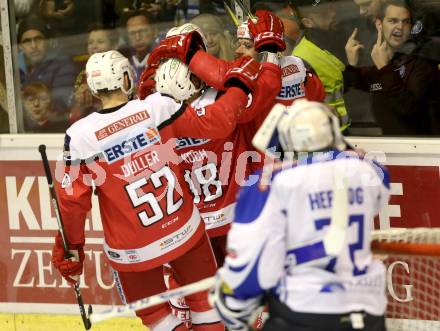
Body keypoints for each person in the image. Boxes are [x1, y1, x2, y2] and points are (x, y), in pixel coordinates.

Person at [51, 48, 262, 330]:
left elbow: (71, 203)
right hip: (184, 231)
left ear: (92, 86)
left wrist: (71, 249)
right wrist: (238, 85)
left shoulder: (79, 136)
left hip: (132, 250)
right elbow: (217, 122)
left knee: (157, 319)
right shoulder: (157, 107)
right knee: (207, 305)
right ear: (127, 77)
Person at [210, 99, 391, 331]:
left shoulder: (272, 183)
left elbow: (252, 268)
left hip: (304, 314)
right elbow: (372, 176)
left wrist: (231, 300)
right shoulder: (368, 171)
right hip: (369, 315)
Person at [343, 0, 440, 135]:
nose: (400, 27)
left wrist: (384, 68)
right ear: (379, 24)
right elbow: (354, 102)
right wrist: (352, 64)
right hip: (384, 143)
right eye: (393, 21)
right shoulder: (376, 59)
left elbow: (407, 108)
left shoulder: (422, 62)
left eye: (406, 22)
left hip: (418, 147)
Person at [291, 0, 350, 130]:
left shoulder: (339, 38)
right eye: (323, 13)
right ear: (308, 22)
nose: (333, 13)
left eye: (330, 7)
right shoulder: (302, 59)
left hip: (354, 132)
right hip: (328, 135)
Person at [18, 17, 77, 112]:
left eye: (38, 39)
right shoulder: (13, 65)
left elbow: (62, 103)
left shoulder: (63, 63)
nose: (33, 46)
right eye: (27, 41)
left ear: (48, 42)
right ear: (20, 46)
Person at [69, 24, 119, 123]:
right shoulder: (82, 76)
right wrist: (80, 102)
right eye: (90, 42)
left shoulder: (121, 71)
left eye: (100, 42)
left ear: (114, 46)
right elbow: (73, 118)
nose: (94, 46)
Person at [120, 10, 156, 83]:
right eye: (132, 33)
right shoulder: (121, 58)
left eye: (142, 31)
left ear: (154, 31)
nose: (138, 38)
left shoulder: (163, 57)